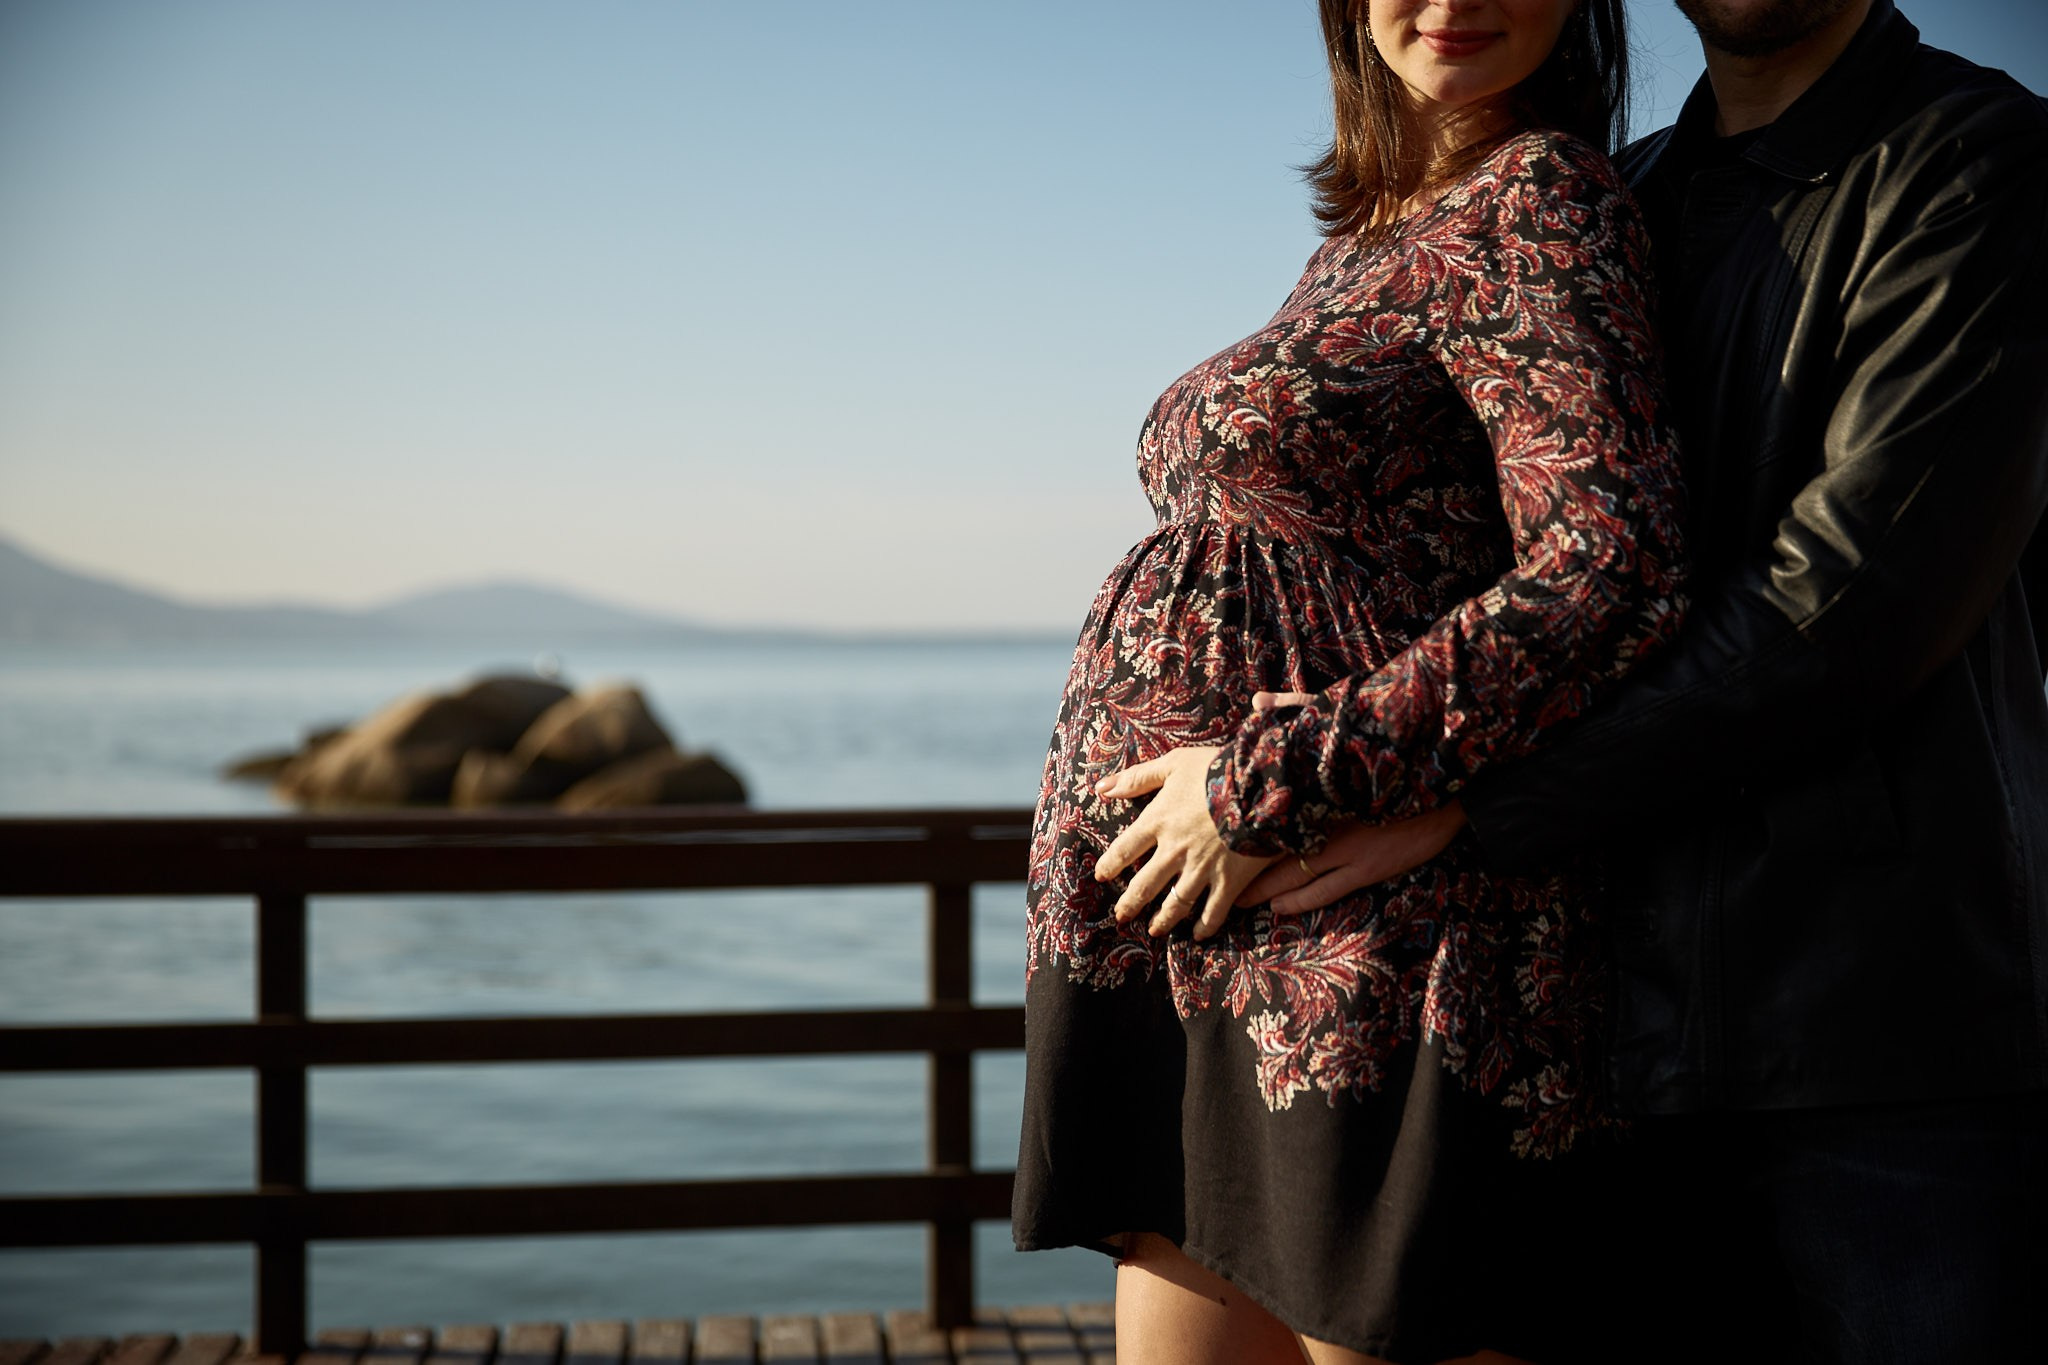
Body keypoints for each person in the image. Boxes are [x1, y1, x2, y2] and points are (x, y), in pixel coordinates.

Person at [1243, 1, 2048, 1358]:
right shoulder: (1625, 193)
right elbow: (1501, 567)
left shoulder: (1975, 159)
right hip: (1611, 1031)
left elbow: (1842, 611)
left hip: (1886, 1045)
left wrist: (1476, 801)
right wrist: (1332, 712)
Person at [1011, 2, 1688, 1361]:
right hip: (1216, 935)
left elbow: (1611, 565)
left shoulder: (1538, 199)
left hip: (1372, 940)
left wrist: (1269, 785)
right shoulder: (1365, 239)